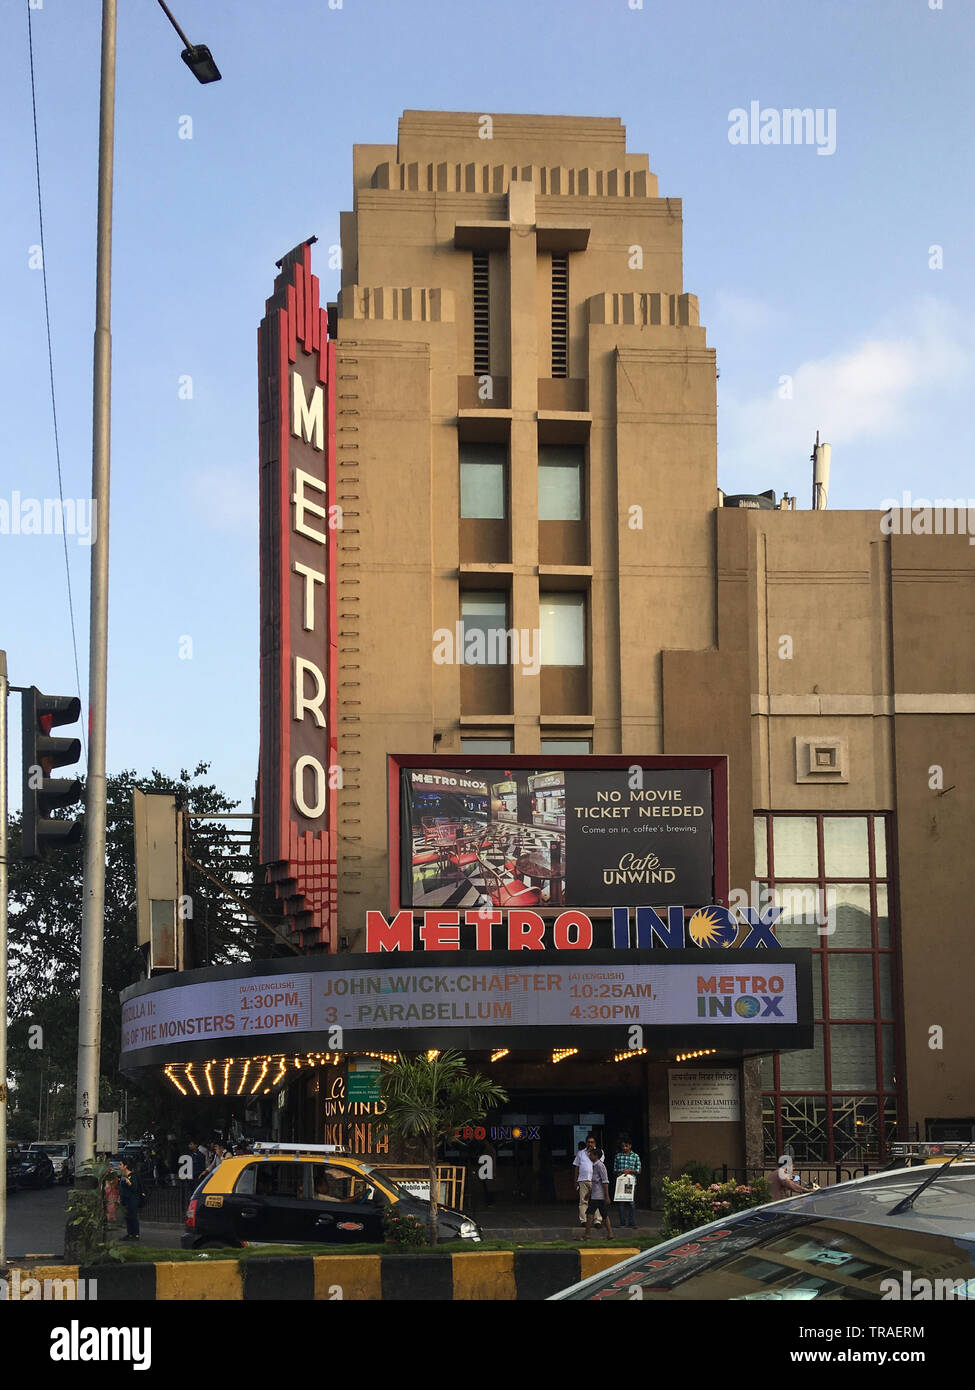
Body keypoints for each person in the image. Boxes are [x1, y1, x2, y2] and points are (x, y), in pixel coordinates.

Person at [583, 1148, 614, 1241]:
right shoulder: (595, 1165)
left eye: (591, 1155)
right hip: (596, 1194)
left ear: (596, 1156)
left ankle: (587, 1234)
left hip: (598, 1196)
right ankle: (610, 1233)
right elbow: (595, 1182)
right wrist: (589, 1193)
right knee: (604, 1214)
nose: (589, 1156)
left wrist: (607, 1195)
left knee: (589, 1213)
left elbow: (605, 1181)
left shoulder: (600, 1166)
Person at [613, 1138, 641, 1228]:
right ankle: (622, 1223)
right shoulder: (618, 1156)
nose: (624, 1148)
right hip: (621, 1182)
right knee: (621, 1202)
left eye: (626, 1146)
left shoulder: (635, 1156)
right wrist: (622, 1171)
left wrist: (630, 1171)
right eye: (623, 1146)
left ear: (630, 1146)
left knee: (631, 1202)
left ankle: (631, 1223)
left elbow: (639, 1170)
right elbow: (614, 1169)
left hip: (631, 1183)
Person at [117, 1160, 142, 1241]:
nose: (119, 1166)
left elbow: (134, 1188)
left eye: (120, 1164)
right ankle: (130, 1234)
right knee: (128, 1217)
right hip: (125, 1200)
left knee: (133, 1216)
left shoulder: (132, 1176)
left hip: (132, 1200)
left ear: (125, 1166)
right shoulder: (123, 1175)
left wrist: (129, 1182)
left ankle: (136, 1234)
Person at [572, 1142, 593, 1226]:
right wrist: (575, 1180)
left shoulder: (599, 1152)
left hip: (594, 1180)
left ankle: (597, 1221)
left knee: (596, 1201)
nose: (590, 1144)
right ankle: (584, 1220)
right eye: (589, 1142)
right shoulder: (580, 1153)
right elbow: (576, 1167)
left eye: (592, 1142)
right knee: (583, 1201)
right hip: (582, 1179)